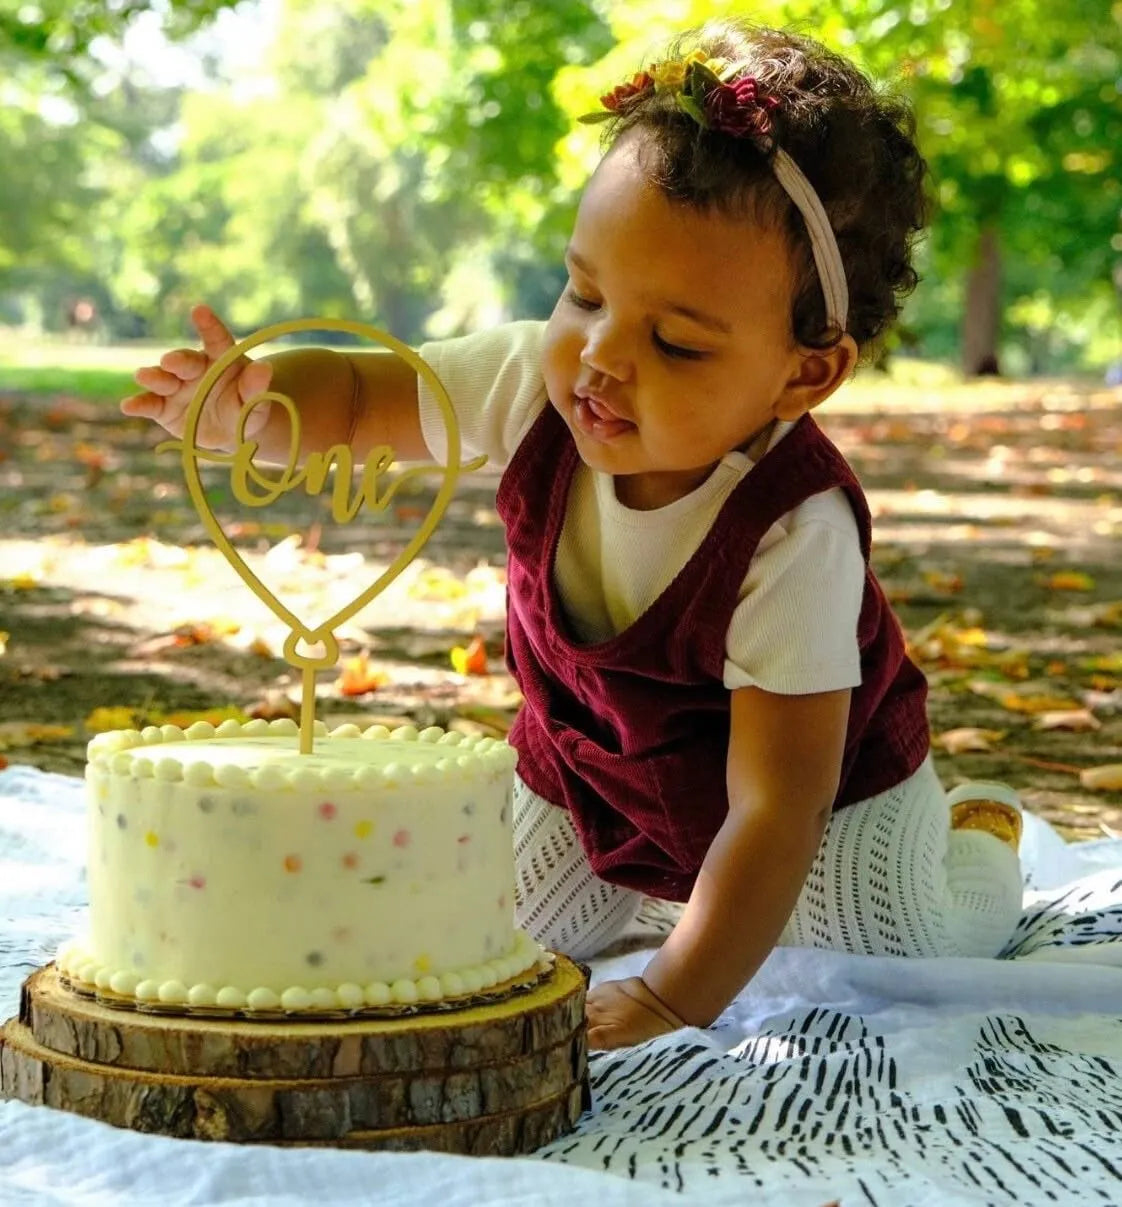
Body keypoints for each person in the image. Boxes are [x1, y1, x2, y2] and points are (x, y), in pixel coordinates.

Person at [123, 20, 1025, 1050]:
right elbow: (373, 393)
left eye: (676, 342)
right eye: (584, 292)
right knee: (491, 936)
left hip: (823, 813)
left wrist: (672, 997)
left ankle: (980, 836)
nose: (598, 354)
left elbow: (776, 809)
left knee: (886, 945)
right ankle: (666, 899)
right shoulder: (529, 385)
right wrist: (262, 408)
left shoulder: (793, 534)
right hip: (591, 774)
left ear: (803, 372)